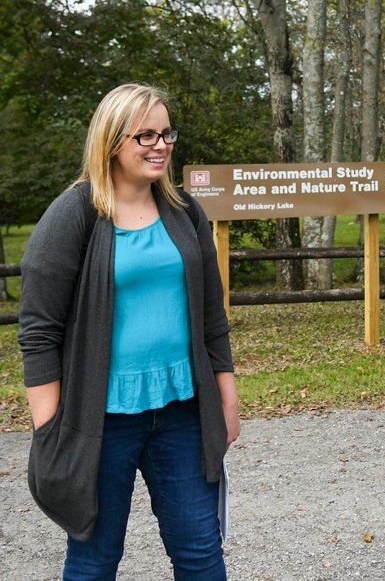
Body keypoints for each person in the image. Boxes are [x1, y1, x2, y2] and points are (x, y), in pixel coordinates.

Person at [18, 84, 240, 580]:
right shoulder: (74, 214)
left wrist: (226, 397)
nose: (160, 145)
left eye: (166, 134)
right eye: (145, 136)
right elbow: (37, 333)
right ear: (112, 141)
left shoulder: (185, 212)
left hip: (181, 412)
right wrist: (51, 430)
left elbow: (211, 316)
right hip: (100, 422)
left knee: (201, 553)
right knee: (95, 560)